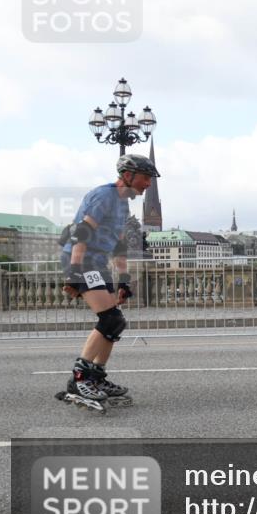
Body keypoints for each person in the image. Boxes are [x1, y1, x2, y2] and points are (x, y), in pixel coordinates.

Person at [55, 153, 160, 412]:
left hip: (98, 264)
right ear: (128, 175)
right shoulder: (104, 196)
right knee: (109, 319)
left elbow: (120, 245)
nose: (148, 183)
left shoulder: (124, 205)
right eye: (145, 177)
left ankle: (96, 376)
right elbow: (82, 233)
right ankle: (80, 379)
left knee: (117, 322)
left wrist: (124, 280)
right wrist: (74, 273)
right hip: (82, 261)